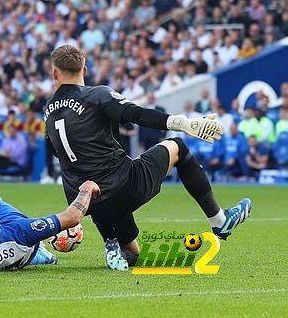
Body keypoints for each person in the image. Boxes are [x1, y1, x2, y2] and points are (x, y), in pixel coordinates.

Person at [43, 45, 251, 270]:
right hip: (122, 186)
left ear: (54, 73)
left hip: (84, 201)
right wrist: (183, 123)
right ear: (84, 71)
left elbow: (55, 151)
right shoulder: (97, 95)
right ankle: (220, 221)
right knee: (177, 146)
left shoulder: (48, 110)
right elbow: (137, 114)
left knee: (134, 254)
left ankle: (113, 246)